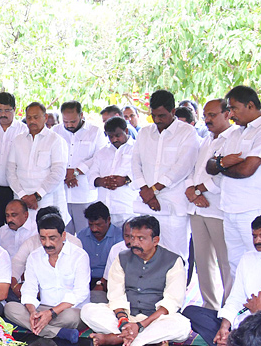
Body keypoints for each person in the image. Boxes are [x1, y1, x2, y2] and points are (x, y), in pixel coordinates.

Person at [184, 214, 261, 346]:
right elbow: (236, 297)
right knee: (192, 312)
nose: (257, 240)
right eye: (254, 236)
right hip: (240, 326)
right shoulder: (248, 258)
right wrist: (224, 328)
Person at [80, 215, 191, 346]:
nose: (134, 243)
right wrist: (123, 322)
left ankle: (117, 338)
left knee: (182, 327)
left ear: (155, 240)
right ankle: (142, 338)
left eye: (141, 238)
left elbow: (171, 302)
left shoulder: (173, 261)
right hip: (126, 317)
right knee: (88, 311)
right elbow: (116, 296)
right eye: (132, 237)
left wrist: (140, 325)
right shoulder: (122, 258)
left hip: (155, 319)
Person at [207, 85, 261, 278]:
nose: (230, 114)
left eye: (234, 109)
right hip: (229, 208)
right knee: (236, 266)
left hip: (253, 209)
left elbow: (247, 170)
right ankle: (242, 307)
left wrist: (221, 165)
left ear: (250, 105)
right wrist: (223, 162)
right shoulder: (234, 133)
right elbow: (210, 165)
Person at [130, 90, 200, 260]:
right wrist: (145, 190)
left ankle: (177, 287)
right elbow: (134, 163)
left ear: (173, 112)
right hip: (146, 204)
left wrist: (153, 190)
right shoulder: (145, 133)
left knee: (175, 256)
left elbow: (182, 167)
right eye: (154, 115)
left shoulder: (187, 132)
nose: (157, 120)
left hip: (174, 206)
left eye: (162, 115)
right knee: (146, 254)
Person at [3, 210, 90, 340]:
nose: (47, 243)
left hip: (68, 309)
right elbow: (29, 289)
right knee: (10, 308)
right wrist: (32, 312)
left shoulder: (79, 256)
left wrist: (51, 313)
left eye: (52, 238)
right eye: (43, 238)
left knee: (72, 317)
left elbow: (80, 293)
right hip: (43, 308)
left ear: (63, 235)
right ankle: (57, 332)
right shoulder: (34, 257)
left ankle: (36, 325)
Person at [186, 98, 234, 309]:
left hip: (218, 208)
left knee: (226, 262)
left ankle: (230, 310)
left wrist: (197, 190)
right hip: (197, 208)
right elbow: (194, 170)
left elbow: (223, 176)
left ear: (228, 114)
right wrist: (191, 191)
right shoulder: (206, 139)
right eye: (205, 115)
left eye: (212, 115)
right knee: (203, 263)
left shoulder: (233, 138)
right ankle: (210, 307)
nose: (207, 120)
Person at [7, 101, 69, 228]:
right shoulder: (18, 140)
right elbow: (10, 171)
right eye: (29, 117)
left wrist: (37, 196)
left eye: (36, 117)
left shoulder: (56, 140)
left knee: (48, 237)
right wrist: (23, 196)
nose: (32, 121)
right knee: (23, 238)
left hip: (48, 201)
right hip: (22, 201)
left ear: (45, 118)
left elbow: (58, 173)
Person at [53, 101, 107, 235]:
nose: (69, 125)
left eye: (73, 121)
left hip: (85, 194)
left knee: (86, 235)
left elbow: (100, 156)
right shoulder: (55, 132)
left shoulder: (95, 132)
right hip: (61, 193)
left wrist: (77, 171)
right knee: (64, 236)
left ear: (81, 115)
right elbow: (50, 156)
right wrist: (65, 173)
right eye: (65, 121)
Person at [0, 92, 29, 227]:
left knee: (15, 225)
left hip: (15, 189)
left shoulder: (24, 131)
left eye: (7, 110)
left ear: (14, 109)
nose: (2, 114)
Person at [88, 116, 138, 228]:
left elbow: (144, 173)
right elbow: (91, 174)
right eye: (110, 136)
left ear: (126, 131)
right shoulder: (102, 152)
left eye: (117, 135)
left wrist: (125, 180)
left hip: (127, 207)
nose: (114, 139)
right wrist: (101, 181)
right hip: (105, 209)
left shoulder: (137, 149)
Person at [77, 202, 122, 297]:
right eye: (91, 224)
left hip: (110, 281)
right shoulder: (81, 235)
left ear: (108, 220)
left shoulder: (120, 237)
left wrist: (102, 283)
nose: (94, 229)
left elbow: (118, 268)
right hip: (84, 279)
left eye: (98, 225)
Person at [0, 198, 32, 265]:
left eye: (14, 215)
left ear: (25, 215)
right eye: (7, 215)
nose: (10, 219)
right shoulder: (2, 231)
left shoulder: (35, 231)